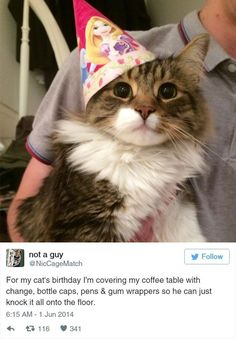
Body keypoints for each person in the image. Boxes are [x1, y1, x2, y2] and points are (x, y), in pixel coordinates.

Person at [7, 0, 236, 242]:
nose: (145, 108)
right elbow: (26, 220)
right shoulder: (89, 61)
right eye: (124, 91)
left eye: (167, 93)